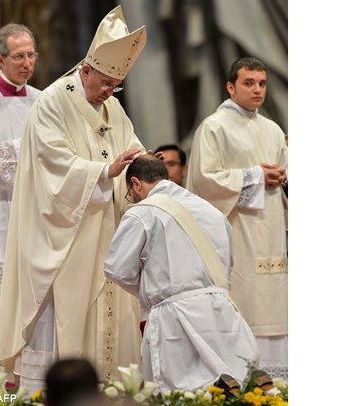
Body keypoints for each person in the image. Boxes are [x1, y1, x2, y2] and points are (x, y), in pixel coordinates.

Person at [0, 5, 148, 393]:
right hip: (64, 239)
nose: (110, 93)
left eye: (117, 85)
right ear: (86, 70)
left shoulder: (111, 104)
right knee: (65, 317)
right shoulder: (52, 102)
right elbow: (52, 166)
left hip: (107, 232)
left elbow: (129, 146)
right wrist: (103, 172)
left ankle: (114, 394)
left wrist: (142, 165)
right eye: (105, 83)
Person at [105, 155, 259, 391]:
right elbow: (226, 265)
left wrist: (153, 289)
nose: (132, 198)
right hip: (221, 311)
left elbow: (116, 269)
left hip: (174, 317)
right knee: (229, 384)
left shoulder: (142, 212)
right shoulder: (212, 212)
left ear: (136, 183)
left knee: (180, 392)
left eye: (130, 193)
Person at [186, 57, 288, 379]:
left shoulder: (272, 129)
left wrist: (284, 178)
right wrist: (255, 176)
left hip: (272, 234)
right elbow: (204, 181)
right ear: (231, 87)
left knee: (278, 311)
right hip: (237, 236)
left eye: (262, 83)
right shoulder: (214, 127)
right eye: (249, 83)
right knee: (244, 307)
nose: (257, 90)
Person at [0, 23, 42, 384]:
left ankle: (28, 386)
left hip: (33, 216)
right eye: (18, 56)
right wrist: (30, 154)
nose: (27, 63)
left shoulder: (41, 100)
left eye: (31, 55)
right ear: (0, 58)